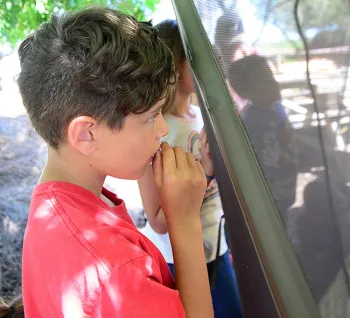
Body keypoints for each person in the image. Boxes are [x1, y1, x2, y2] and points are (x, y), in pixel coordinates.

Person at [18, 7, 214, 317]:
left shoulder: (55, 204)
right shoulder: (114, 270)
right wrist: (185, 221)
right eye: (151, 117)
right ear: (86, 135)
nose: (162, 130)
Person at [138, 20, 242, 318]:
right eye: (194, 60)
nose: (206, 68)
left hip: (216, 246)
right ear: (173, 65)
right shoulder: (157, 131)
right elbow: (158, 220)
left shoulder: (201, 115)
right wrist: (207, 170)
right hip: (177, 258)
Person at [228, 55, 297, 220]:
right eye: (266, 81)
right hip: (271, 195)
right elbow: (273, 157)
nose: (275, 83)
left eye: (272, 77)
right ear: (247, 92)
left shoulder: (277, 108)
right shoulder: (253, 121)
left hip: (285, 187)